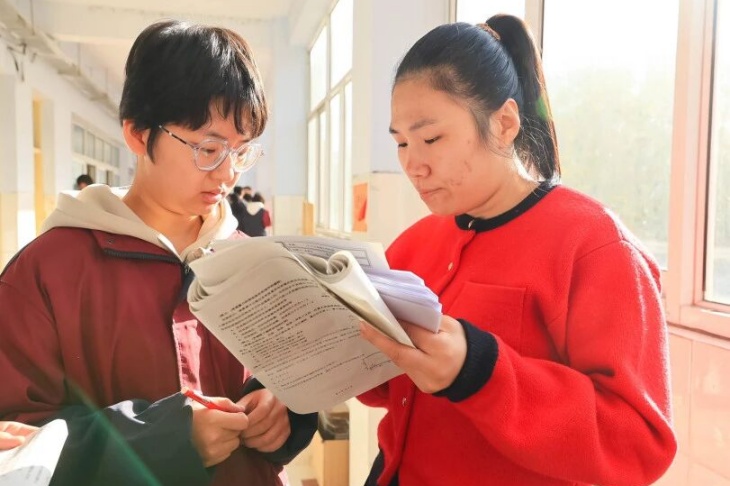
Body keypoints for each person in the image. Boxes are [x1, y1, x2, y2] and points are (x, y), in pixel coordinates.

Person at [357, 15, 677, 486]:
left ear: (504, 123)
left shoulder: (595, 247)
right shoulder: (415, 243)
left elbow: (636, 444)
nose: (412, 164)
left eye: (430, 139)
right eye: (401, 142)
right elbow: (395, 391)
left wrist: (480, 370)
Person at [0, 20, 316, 486]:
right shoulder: (48, 271)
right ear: (137, 133)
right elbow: (15, 439)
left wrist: (283, 408)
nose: (228, 173)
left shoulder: (251, 261)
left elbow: (292, 372)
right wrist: (165, 440)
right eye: (209, 148)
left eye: (241, 151)